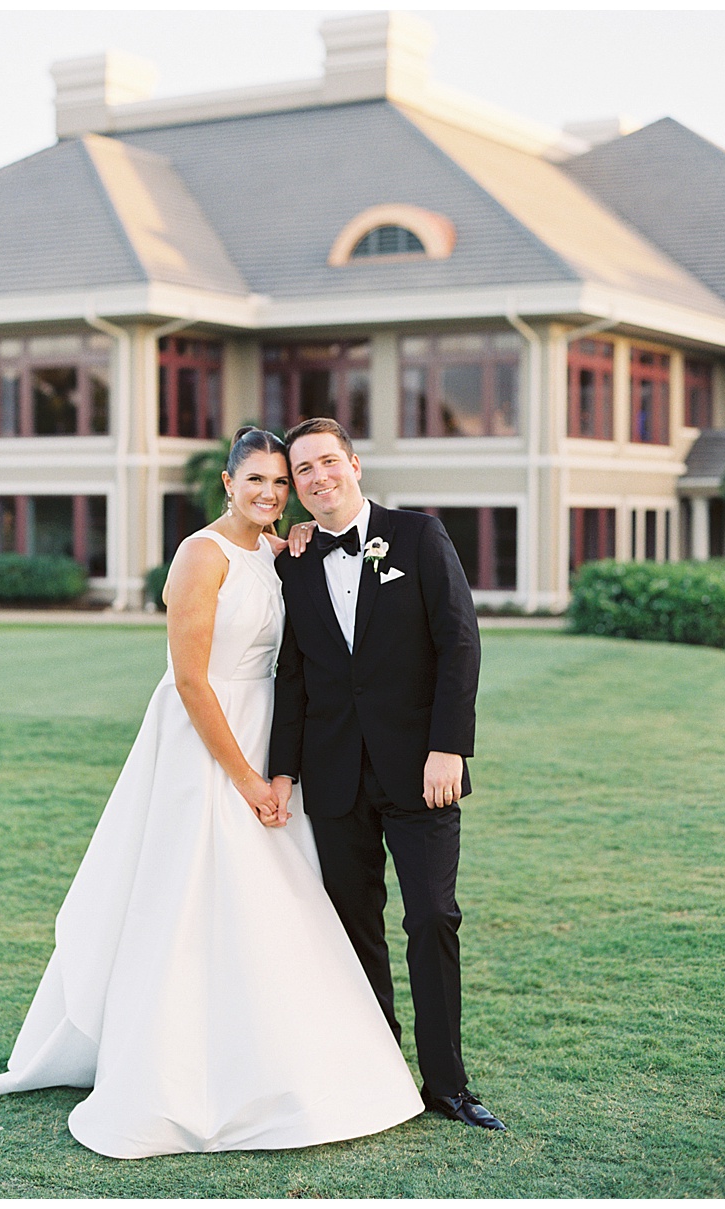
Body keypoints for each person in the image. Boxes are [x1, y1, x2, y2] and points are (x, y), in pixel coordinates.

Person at [0, 426, 421, 1159]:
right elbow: (191, 678)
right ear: (227, 482)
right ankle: (178, 1065)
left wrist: (278, 767)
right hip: (205, 741)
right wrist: (246, 777)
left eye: (280, 483)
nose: (269, 493)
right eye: (255, 480)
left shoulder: (279, 551)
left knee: (277, 898)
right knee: (192, 893)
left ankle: (281, 1052)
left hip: (267, 735)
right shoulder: (201, 554)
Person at [268, 417, 504, 1131]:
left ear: (355, 463)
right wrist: (282, 772)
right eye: (302, 470)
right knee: (353, 927)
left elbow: (459, 643)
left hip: (420, 770)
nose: (317, 477)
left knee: (432, 915)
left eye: (327, 461)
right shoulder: (295, 561)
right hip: (333, 776)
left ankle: (448, 1085)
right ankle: (377, 1073)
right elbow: (294, 676)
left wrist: (449, 746)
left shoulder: (420, 537)